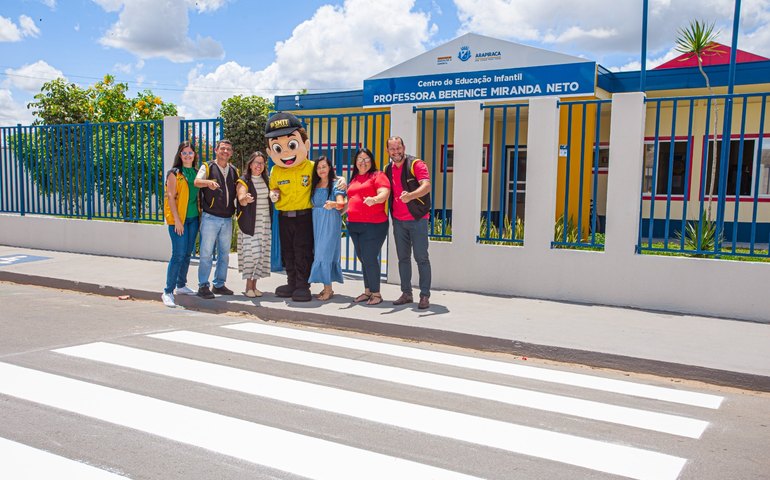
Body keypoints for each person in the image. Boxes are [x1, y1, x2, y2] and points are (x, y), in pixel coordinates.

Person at [265, 112, 346, 302]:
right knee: (288, 252)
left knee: (302, 250)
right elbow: (273, 188)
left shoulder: (310, 166)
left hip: (304, 216)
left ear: (305, 145)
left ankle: (303, 285)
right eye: (278, 147)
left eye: (291, 144)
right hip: (284, 216)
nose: (285, 152)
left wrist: (341, 178)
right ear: (270, 152)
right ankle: (292, 282)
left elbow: (327, 175)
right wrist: (273, 194)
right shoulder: (276, 170)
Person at [384, 136, 432, 309]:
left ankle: (424, 295)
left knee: (421, 258)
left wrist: (410, 196)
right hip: (398, 221)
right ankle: (406, 293)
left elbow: (426, 186)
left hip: (418, 219)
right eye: (392, 149)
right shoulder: (387, 169)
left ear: (403, 147)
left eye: (398, 148)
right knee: (403, 259)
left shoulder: (416, 164)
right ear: (388, 151)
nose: (396, 152)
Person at [194, 139, 239, 299]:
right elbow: (197, 182)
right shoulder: (207, 167)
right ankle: (203, 285)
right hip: (210, 217)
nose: (225, 152)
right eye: (222, 149)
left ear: (231, 153)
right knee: (206, 253)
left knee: (224, 254)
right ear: (216, 150)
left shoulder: (234, 170)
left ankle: (219, 284)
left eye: (228, 149)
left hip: (227, 219)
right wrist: (208, 183)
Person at [346, 147, 390, 306]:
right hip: (354, 225)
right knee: (363, 258)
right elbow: (350, 200)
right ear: (355, 162)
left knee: (370, 258)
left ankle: (377, 294)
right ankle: (368, 291)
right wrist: (338, 206)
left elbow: (384, 193)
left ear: (371, 161)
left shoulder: (378, 175)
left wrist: (376, 199)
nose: (363, 162)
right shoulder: (354, 178)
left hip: (374, 225)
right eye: (360, 159)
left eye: (366, 159)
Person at [161, 141, 200, 308]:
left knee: (187, 254)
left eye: (190, 153)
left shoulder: (197, 173)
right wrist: (177, 220)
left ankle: (181, 285)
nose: (187, 155)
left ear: (194, 155)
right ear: (179, 155)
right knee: (178, 254)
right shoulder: (174, 174)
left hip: (193, 219)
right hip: (179, 220)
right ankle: (168, 291)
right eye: (184, 153)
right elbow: (170, 198)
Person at [308, 156, 346, 301]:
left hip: (330, 221)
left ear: (329, 167)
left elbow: (341, 203)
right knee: (320, 252)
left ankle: (328, 289)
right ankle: (326, 287)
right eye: (318, 167)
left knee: (323, 254)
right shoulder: (315, 184)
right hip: (316, 221)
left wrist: (334, 204)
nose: (321, 170)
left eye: (324, 166)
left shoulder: (336, 183)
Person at [235, 151, 272, 298]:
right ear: (250, 164)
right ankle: (248, 287)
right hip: (251, 223)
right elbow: (241, 197)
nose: (259, 165)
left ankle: (255, 286)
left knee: (261, 254)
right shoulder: (243, 180)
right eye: (256, 162)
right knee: (252, 255)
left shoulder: (266, 180)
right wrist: (245, 199)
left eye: (262, 163)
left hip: (264, 222)